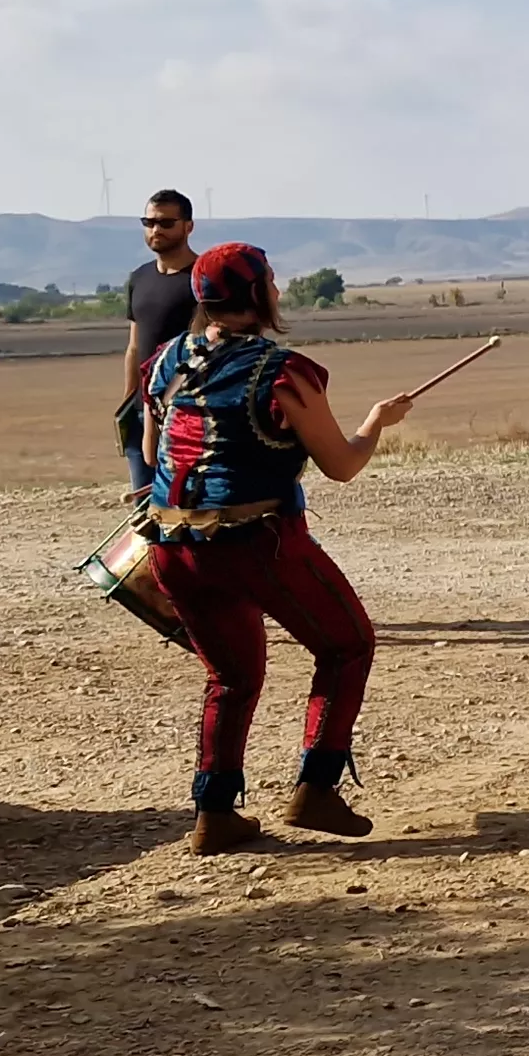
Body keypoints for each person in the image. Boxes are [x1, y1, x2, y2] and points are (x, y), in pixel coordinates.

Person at [133, 243, 406, 855]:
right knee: (347, 645)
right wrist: (374, 424)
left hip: (173, 544)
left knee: (230, 676)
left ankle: (214, 813)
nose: (278, 293)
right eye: (273, 283)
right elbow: (340, 465)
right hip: (255, 541)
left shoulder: (164, 362)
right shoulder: (284, 373)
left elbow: (153, 456)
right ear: (258, 295)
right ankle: (315, 787)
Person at [119, 189, 200, 489]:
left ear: (188, 226)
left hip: (188, 410)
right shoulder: (139, 278)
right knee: (144, 508)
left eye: (166, 223)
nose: (156, 230)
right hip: (142, 412)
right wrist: (130, 402)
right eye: (149, 222)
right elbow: (135, 346)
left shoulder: (203, 279)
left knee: (186, 504)